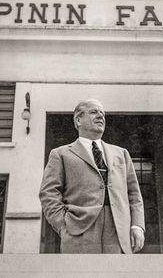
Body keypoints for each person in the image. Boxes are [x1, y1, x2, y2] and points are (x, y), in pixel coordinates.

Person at [39, 99, 145, 253]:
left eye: (102, 113)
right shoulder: (61, 154)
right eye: (94, 112)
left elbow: (134, 194)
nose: (100, 116)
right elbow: (48, 193)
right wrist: (63, 225)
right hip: (79, 231)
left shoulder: (121, 154)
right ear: (78, 120)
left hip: (119, 232)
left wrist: (137, 225)